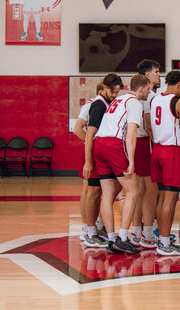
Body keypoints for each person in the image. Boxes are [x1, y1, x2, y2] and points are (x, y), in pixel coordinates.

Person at [93, 74, 152, 254]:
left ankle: (111, 239)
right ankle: (123, 237)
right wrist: (132, 162)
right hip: (114, 145)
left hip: (99, 144)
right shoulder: (134, 102)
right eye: (148, 88)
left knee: (107, 195)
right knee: (133, 191)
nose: (150, 92)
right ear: (140, 88)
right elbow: (131, 134)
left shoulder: (118, 100)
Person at [151, 70, 180, 256]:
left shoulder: (155, 100)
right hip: (172, 151)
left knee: (162, 197)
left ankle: (162, 239)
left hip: (157, 150)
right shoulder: (179, 101)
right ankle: (165, 243)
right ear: (179, 85)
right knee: (170, 198)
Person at [82, 73, 123, 248]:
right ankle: (90, 232)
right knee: (92, 193)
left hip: (102, 152)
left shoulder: (108, 103)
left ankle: (97, 226)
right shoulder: (98, 106)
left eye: (117, 92)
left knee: (104, 192)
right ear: (104, 88)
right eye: (112, 92)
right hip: (95, 153)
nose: (115, 95)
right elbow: (89, 135)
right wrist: (88, 162)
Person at [134, 59, 161, 248]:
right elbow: (150, 124)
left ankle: (137, 232)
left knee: (138, 192)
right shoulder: (149, 97)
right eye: (157, 71)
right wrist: (157, 143)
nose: (160, 75)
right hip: (145, 143)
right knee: (151, 191)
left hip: (135, 143)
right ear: (148, 75)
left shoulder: (136, 96)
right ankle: (148, 233)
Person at [73, 83, 104, 242]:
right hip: (90, 150)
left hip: (96, 150)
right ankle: (86, 227)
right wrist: (90, 142)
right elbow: (77, 128)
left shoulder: (100, 104)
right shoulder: (92, 105)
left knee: (96, 191)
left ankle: (95, 225)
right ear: (102, 90)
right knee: (88, 190)